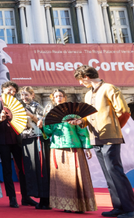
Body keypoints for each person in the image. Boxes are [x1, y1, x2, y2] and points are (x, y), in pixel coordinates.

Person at [71, 65, 133, 218]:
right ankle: (118, 207)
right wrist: (80, 121)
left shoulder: (109, 88)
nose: (80, 83)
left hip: (110, 136)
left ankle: (130, 209)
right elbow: (88, 117)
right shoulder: (87, 95)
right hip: (95, 137)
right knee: (108, 174)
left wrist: (115, 128)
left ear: (86, 77)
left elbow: (124, 112)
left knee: (115, 171)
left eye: (80, 80)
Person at [42, 89, 96, 213]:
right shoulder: (50, 114)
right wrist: (43, 125)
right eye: (56, 96)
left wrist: (87, 147)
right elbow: (48, 133)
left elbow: (82, 131)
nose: (59, 98)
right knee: (62, 178)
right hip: (57, 148)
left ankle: (79, 205)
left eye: (61, 96)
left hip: (74, 147)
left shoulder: (74, 113)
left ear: (65, 97)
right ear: (53, 98)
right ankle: (66, 205)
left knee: (77, 177)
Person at [0, 81, 29, 208]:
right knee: (7, 170)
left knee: (23, 169)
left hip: (17, 140)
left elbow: (22, 120)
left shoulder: (18, 104)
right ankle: (12, 198)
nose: (12, 93)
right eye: (10, 90)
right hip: (3, 141)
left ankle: (26, 197)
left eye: (14, 92)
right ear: (3, 89)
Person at [18, 86, 50, 209]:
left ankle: (45, 199)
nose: (24, 97)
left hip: (38, 139)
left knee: (41, 169)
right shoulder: (19, 108)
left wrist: (31, 115)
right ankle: (34, 195)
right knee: (31, 169)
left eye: (27, 95)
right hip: (25, 140)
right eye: (22, 95)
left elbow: (43, 124)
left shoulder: (38, 106)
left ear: (32, 95)